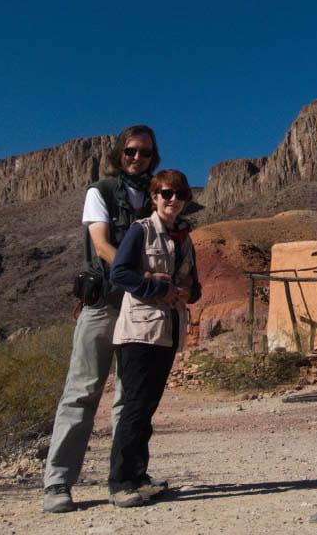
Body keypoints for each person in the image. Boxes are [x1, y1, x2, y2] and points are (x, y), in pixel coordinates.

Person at [43, 125, 163, 513]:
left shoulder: (156, 195)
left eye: (144, 153)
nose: (137, 158)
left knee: (131, 397)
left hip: (141, 308)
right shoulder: (101, 193)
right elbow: (100, 243)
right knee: (82, 392)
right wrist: (138, 276)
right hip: (105, 302)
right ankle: (57, 483)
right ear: (119, 153)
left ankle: (127, 478)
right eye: (131, 151)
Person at [106, 169, 201, 507]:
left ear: (186, 199)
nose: (171, 199)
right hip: (139, 332)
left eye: (177, 194)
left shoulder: (186, 239)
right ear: (154, 197)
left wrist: (185, 292)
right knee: (134, 406)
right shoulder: (141, 231)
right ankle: (121, 483)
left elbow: (196, 289)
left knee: (147, 407)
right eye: (164, 193)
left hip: (168, 332)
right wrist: (159, 286)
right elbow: (119, 273)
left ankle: (139, 475)